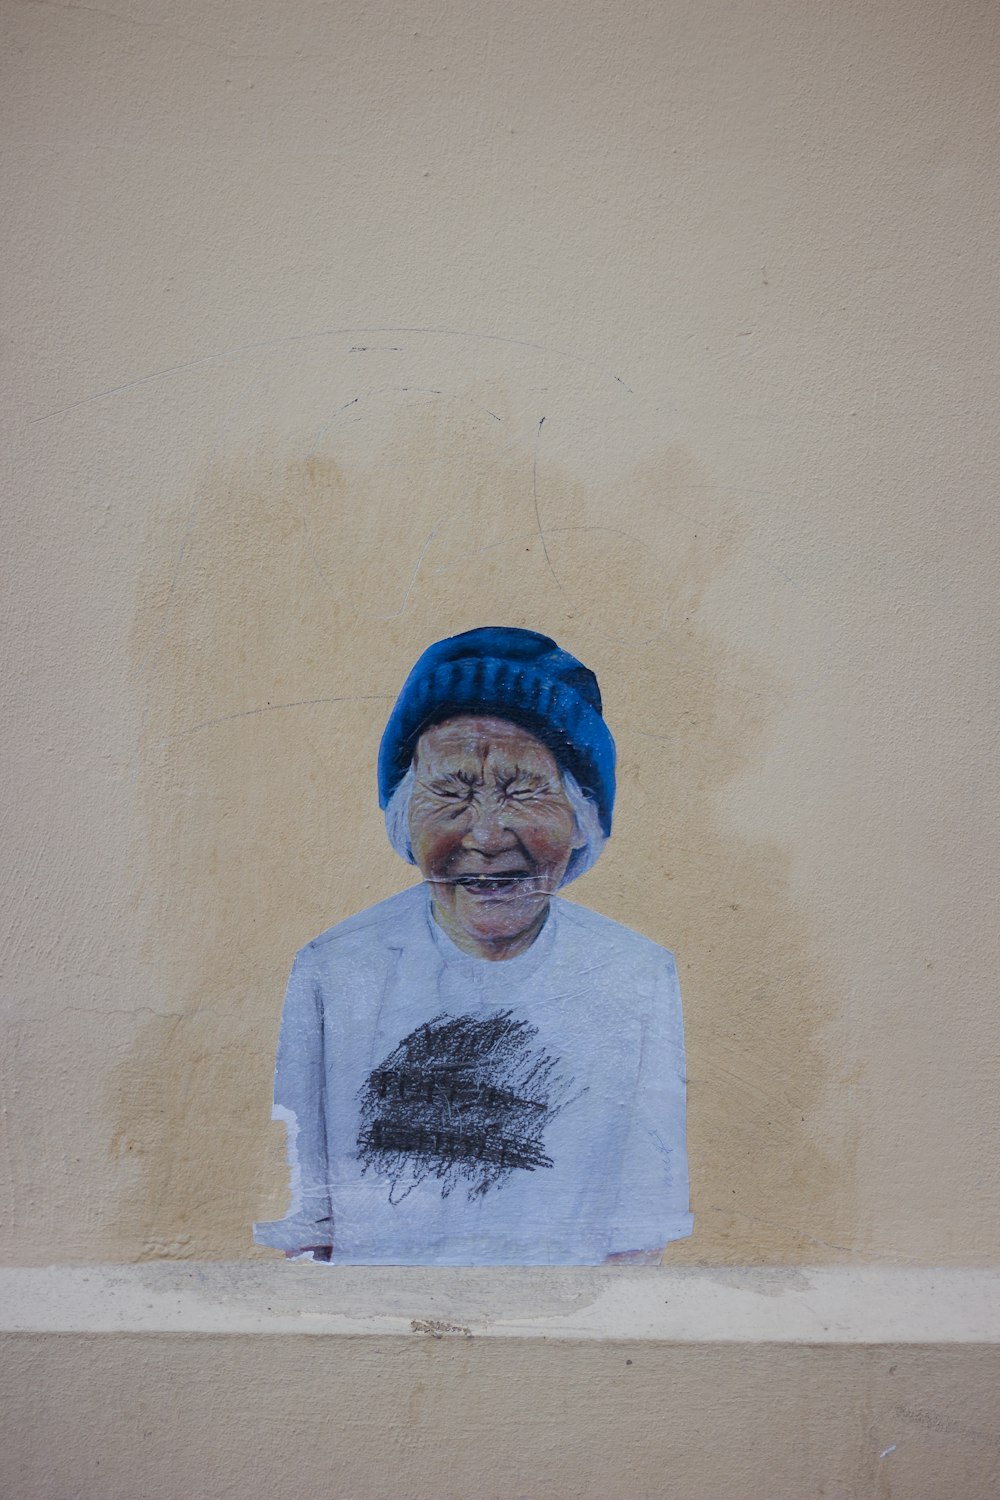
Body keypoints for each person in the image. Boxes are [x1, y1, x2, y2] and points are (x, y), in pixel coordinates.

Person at [254, 627, 692, 1265]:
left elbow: (640, 1236)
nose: (486, 835)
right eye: (452, 793)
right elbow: (304, 1227)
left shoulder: (635, 976)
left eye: (522, 790)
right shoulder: (336, 971)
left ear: (581, 819)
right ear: (405, 814)